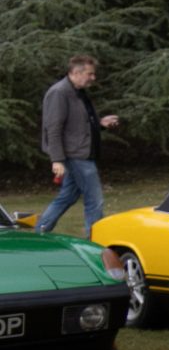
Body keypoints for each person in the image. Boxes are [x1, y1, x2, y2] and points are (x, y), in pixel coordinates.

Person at [37, 53, 120, 236]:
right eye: (90, 74)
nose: (93, 78)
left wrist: (100, 124)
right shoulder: (59, 93)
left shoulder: (78, 93)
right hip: (75, 156)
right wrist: (57, 160)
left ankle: (39, 233)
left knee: (67, 196)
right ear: (76, 72)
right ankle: (96, 244)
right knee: (94, 200)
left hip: (81, 152)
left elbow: (77, 125)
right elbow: (54, 129)